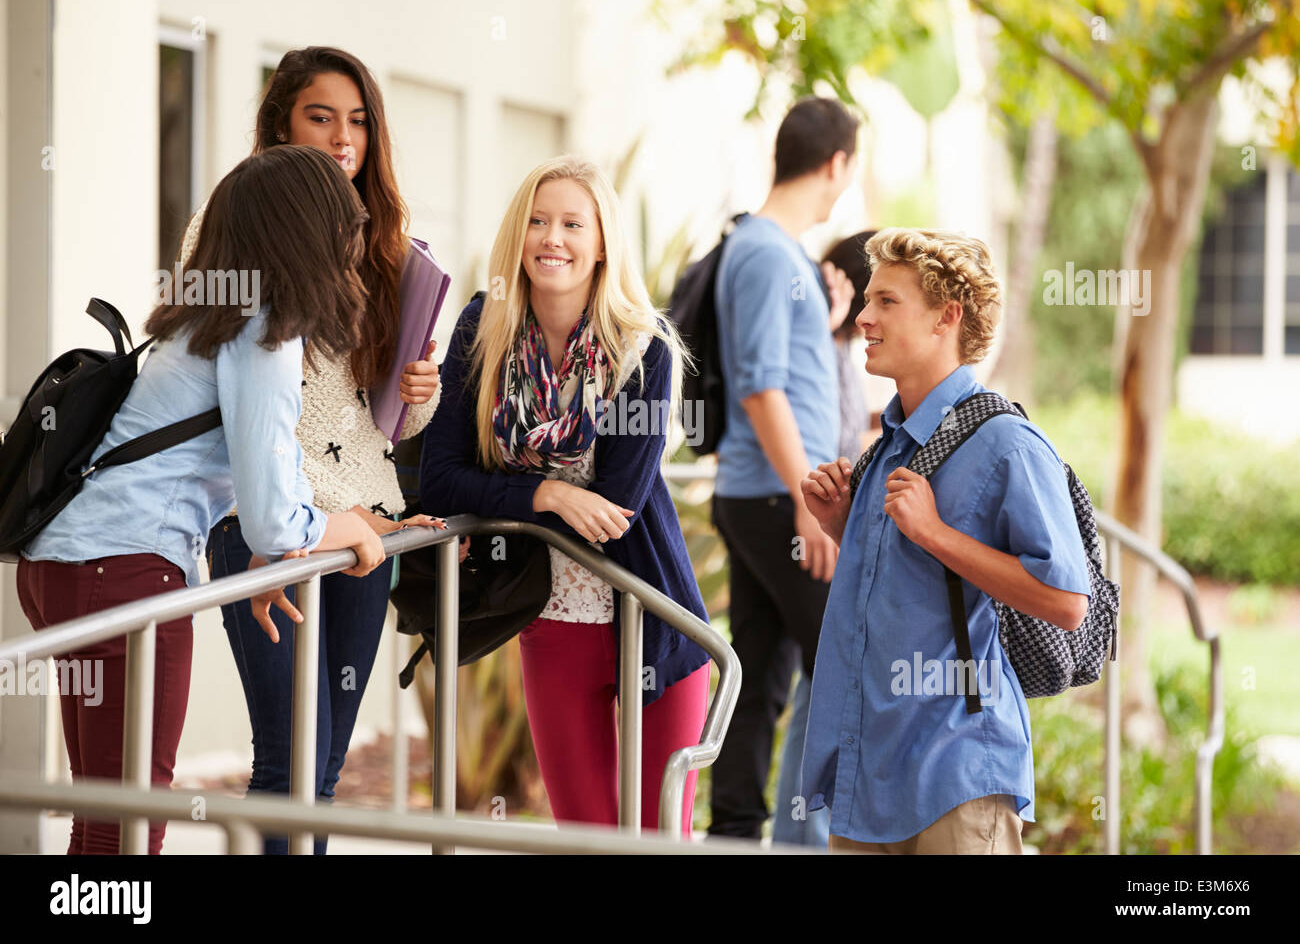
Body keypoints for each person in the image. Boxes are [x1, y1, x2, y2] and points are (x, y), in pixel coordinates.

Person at [17, 145, 387, 855]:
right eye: (344, 227)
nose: (352, 247)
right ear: (305, 233)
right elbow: (275, 508)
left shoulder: (202, 317)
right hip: (124, 574)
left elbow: (240, 487)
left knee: (105, 814)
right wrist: (341, 526)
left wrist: (270, 550)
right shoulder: (261, 328)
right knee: (130, 820)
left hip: (69, 566)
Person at [193, 47, 446, 856]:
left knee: (324, 771)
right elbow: (232, 378)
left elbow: (386, 424)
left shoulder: (381, 244)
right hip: (272, 519)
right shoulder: (241, 219)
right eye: (321, 116)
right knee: (290, 764)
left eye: (359, 121)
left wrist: (420, 388)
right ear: (279, 123)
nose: (344, 137)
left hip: (365, 525)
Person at [418, 155, 711, 834]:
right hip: (550, 615)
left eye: (573, 223)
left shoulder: (643, 348)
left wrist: (504, 496)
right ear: (518, 237)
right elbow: (441, 479)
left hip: (652, 613)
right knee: (587, 838)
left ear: (602, 241)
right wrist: (545, 495)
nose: (553, 238)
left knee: (659, 839)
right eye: (539, 222)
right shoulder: (482, 330)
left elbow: (613, 511)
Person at [800, 228, 1092, 854]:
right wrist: (842, 523)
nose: (864, 317)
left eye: (886, 302)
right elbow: (904, 585)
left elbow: (1068, 600)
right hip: (866, 775)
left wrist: (934, 533)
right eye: (867, 300)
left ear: (946, 317)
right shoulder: (885, 449)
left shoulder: (1008, 443)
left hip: (955, 778)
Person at [706, 97, 859, 841]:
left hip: (763, 493)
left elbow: (782, 368)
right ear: (836, 164)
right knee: (847, 665)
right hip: (774, 496)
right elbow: (760, 383)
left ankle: (740, 834)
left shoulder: (775, 250)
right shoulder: (767, 251)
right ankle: (813, 838)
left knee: (762, 674)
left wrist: (824, 327)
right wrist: (808, 498)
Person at [771, 228, 876, 849]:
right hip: (809, 523)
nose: (874, 316)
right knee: (827, 681)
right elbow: (785, 401)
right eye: (879, 298)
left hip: (825, 521)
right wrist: (808, 512)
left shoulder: (839, 347)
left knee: (815, 686)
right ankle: (800, 838)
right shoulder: (827, 344)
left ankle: (796, 836)